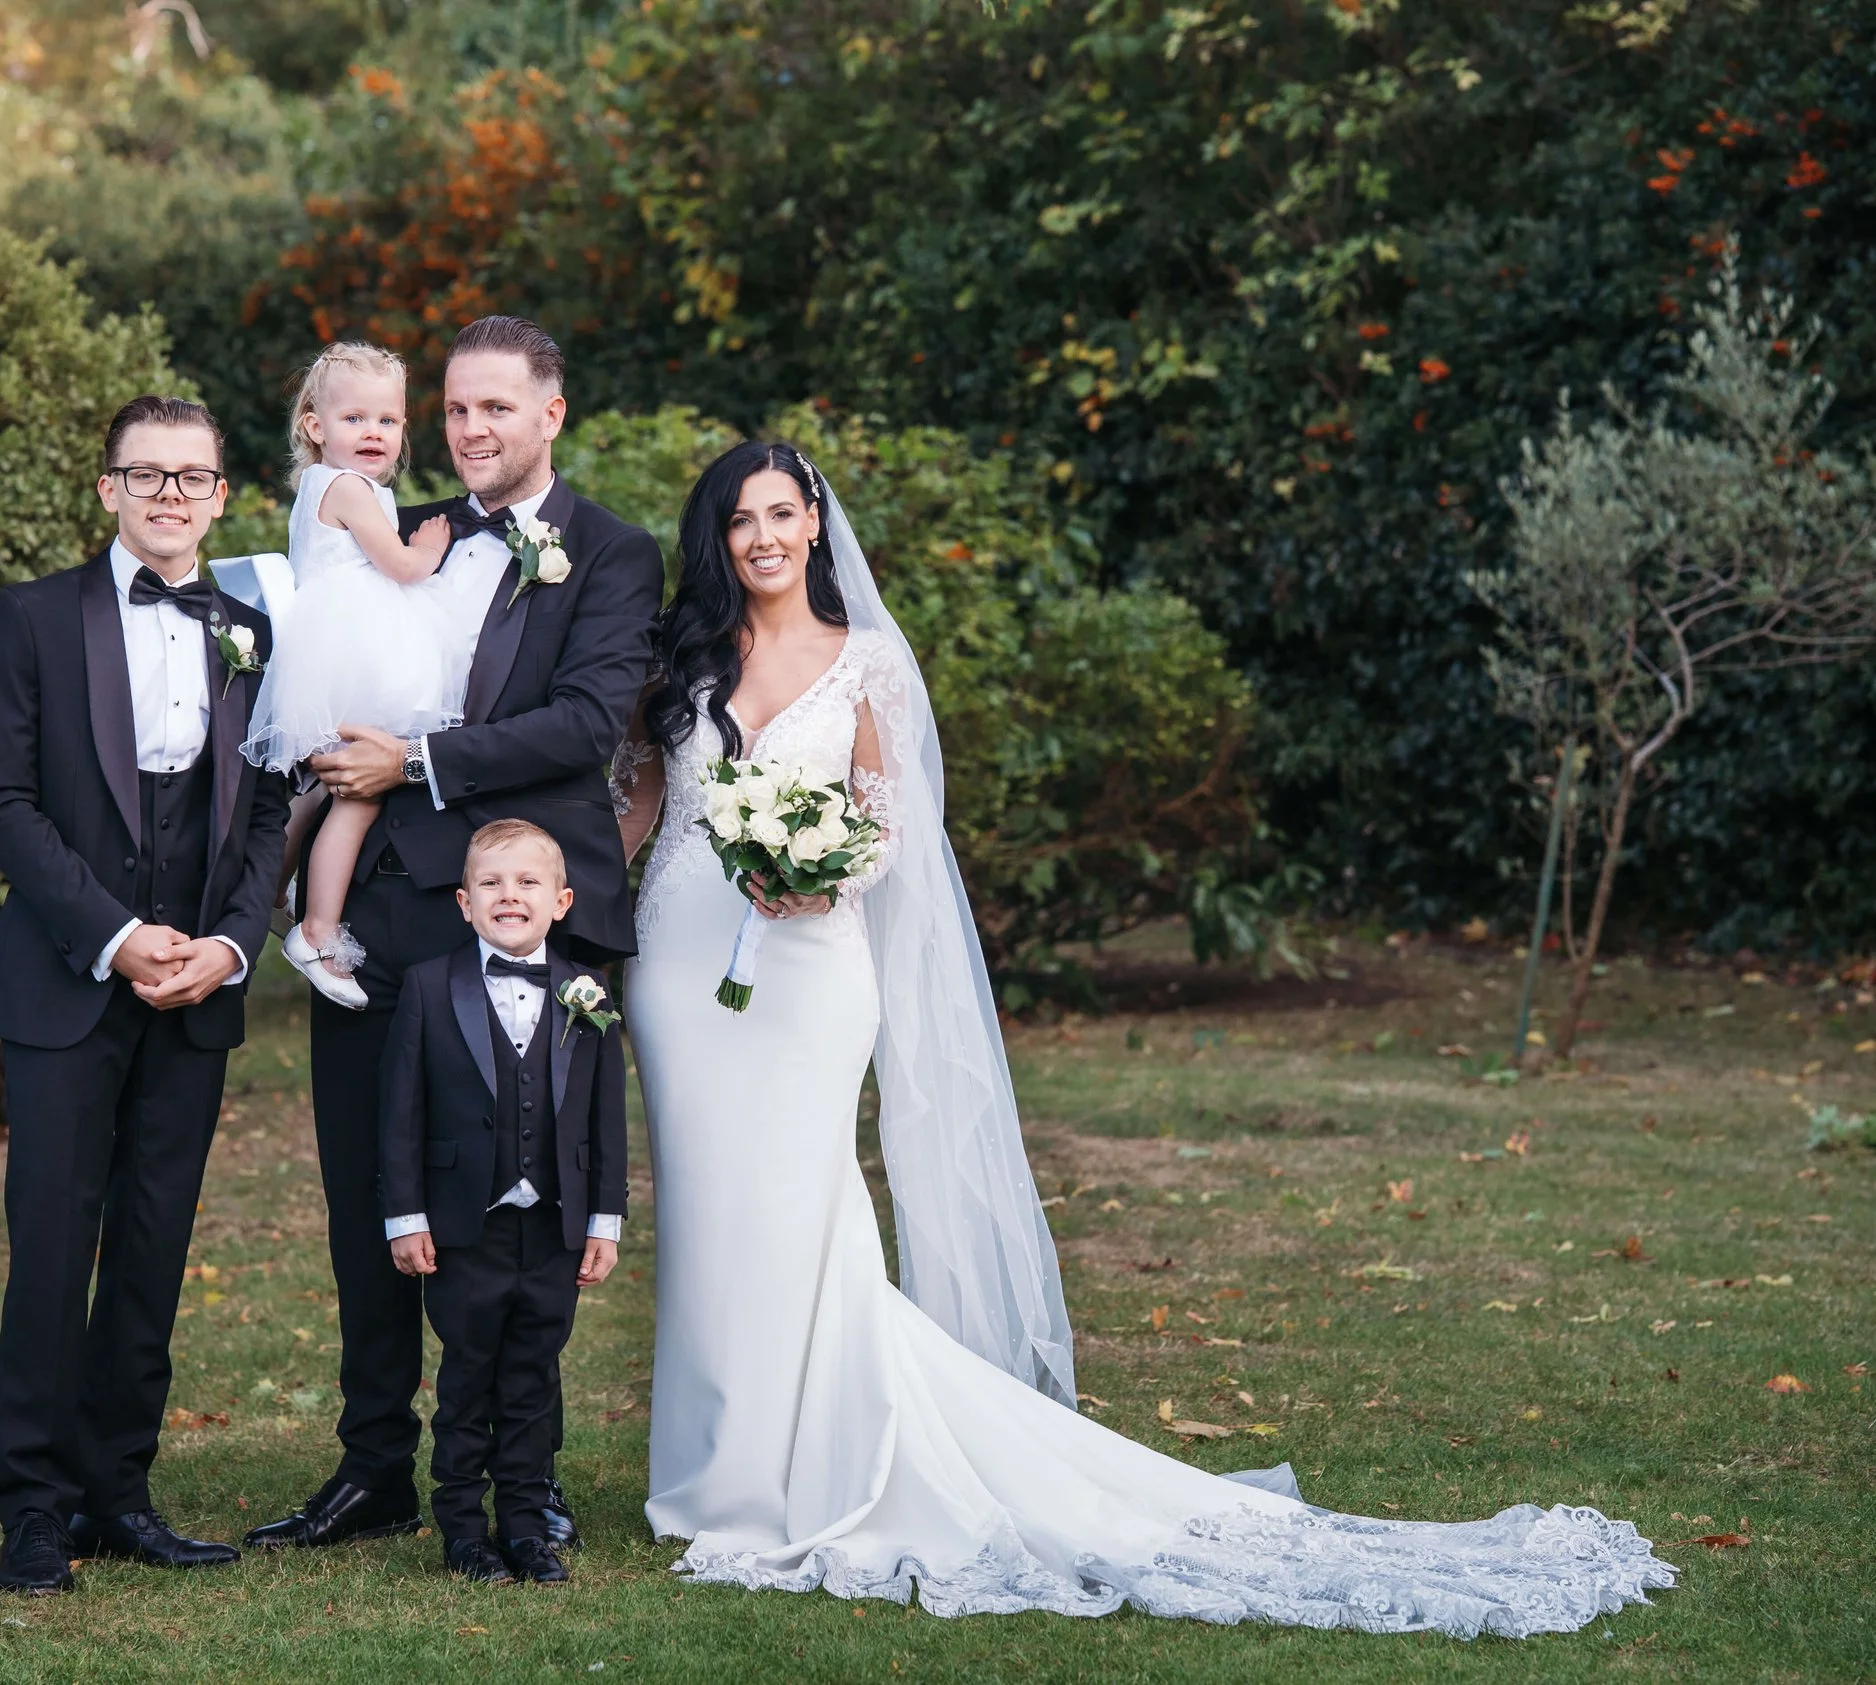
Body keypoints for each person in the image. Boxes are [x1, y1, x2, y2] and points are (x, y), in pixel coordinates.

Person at [611, 441, 1678, 1633]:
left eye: (779, 512)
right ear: (716, 537)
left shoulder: (865, 660)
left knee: (798, 1204)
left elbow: (886, 822)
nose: (760, 537)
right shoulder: (682, 657)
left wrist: (821, 877)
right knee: (704, 1207)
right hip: (680, 962)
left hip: (811, 967)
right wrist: (558, 902)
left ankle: (818, 1467)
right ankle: (714, 1474)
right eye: (738, 520)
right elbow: (641, 804)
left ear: (814, 522)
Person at [245, 316, 663, 1554]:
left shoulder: (610, 553)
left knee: (523, 1204)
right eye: (456, 408)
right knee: (369, 1186)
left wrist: (418, 760)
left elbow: (586, 720)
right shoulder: (400, 527)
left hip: (523, 919)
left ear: (551, 413)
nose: (470, 429)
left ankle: (523, 1468)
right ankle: (373, 1461)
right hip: (380, 910)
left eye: (496, 407)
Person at [0, 395, 293, 1596]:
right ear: (107, 488)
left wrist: (231, 944)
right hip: (66, 980)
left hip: (194, 991)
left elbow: (271, 806)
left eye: (191, 476)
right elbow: (1, 800)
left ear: (220, 496)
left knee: (153, 1247)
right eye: (145, 474)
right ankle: (34, 1510)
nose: (168, 494)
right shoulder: (34, 616)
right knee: (54, 1249)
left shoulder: (254, 628)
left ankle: (119, 1493)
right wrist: (114, 934)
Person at [376, 819, 629, 1585]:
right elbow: (400, 1111)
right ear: (464, 901)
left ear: (562, 901)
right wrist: (407, 1216)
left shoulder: (586, 991)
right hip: (464, 1227)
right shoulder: (429, 985)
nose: (508, 895)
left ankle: (524, 1524)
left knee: (533, 1377)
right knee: (466, 1377)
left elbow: (605, 1115)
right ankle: (463, 1528)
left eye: (527, 882)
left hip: (554, 1224)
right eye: (490, 882)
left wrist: (605, 1219)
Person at [241, 343, 459, 1010]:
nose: (374, 433)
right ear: (315, 425)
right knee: (358, 795)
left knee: (319, 786)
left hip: (334, 657)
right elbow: (400, 566)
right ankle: (316, 930)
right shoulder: (348, 488)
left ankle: (260, 891)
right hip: (354, 659)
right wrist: (428, 549)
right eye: (355, 418)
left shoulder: (319, 485)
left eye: (387, 420)